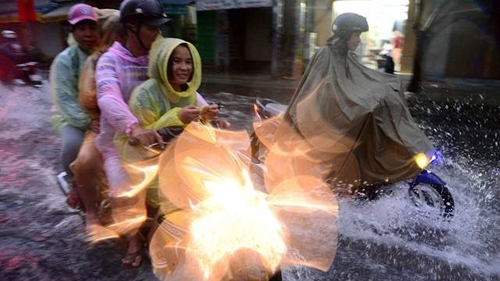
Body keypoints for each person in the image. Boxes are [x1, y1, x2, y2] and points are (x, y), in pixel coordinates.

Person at [265, 13, 435, 196]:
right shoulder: (325, 55)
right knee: (363, 123)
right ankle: (340, 185)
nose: (359, 40)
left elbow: (362, 78)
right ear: (345, 34)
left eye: (359, 35)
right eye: (356, 35)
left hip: (338, 110)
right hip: (320, 116)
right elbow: (323, 91)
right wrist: (357, 105)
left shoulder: (345, 56)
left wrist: (385, 88)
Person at [114, 37, 228, 227]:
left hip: (181, 158)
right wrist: (177, 118)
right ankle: (135, 241)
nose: (184, 67)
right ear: (164, 63)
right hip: (147, 163)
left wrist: (210, 120)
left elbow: (198, 125)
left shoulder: (190, 93)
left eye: (188, 62)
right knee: (154, 211)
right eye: (176, 61)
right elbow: (143, 140)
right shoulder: (145, 95)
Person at [94, 0, 169, 269]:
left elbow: (183, 86)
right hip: (120, 142)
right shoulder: (108, 61)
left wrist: (207, 111)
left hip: (160, 138)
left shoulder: (157, 57)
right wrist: (133, 126)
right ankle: (134, 240)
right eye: (152, 28)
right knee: (124, 192)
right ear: (132, 28)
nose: (158, 34)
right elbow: (107, 96)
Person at [69, 8, 123, 240]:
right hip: (102, 125)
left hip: (143, 123)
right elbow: (87, 97)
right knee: (85, 161)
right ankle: (91, 213)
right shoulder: (96, 60)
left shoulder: (142, 57)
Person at [49, 3, 99, 209]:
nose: (87, 33)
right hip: (72, 116)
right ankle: (74, 184)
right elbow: (65, 99)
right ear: (73, 31)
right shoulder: (65, 61)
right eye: (81, 28)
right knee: (72, 145)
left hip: (104, 115)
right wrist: (89, 121)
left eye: (92, 27)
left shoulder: (109, 54)